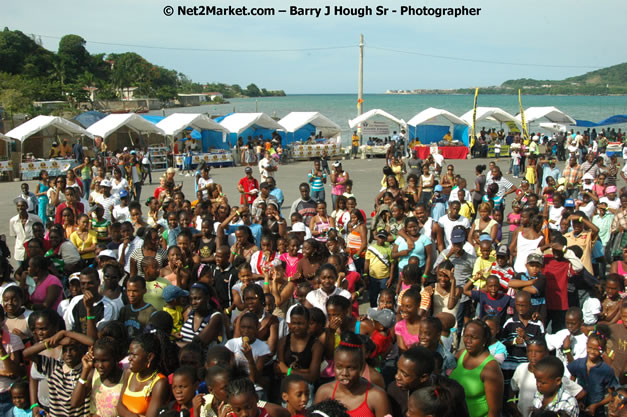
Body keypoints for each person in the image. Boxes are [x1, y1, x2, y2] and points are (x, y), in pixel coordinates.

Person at [314, 332, 391, 417]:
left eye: (350, 368)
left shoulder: (377, 396)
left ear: (360, 367)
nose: (344, 373)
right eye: (339, 367)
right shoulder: (324, 392)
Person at [450, 320, 503, 417]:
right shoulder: (460, 354)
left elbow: (494, 411)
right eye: (466, 336)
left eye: (474, 337)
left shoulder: (490, 368)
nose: (468, 341)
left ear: (484, 340)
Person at [9, 197, 42, 265]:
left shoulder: (35, 218)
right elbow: (15, 235)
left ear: (27, 207)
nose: (20, 208)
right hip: (20, 251)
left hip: (34, 251)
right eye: (18, 206)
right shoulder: (13, 221)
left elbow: (41, 232)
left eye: (22, 206)